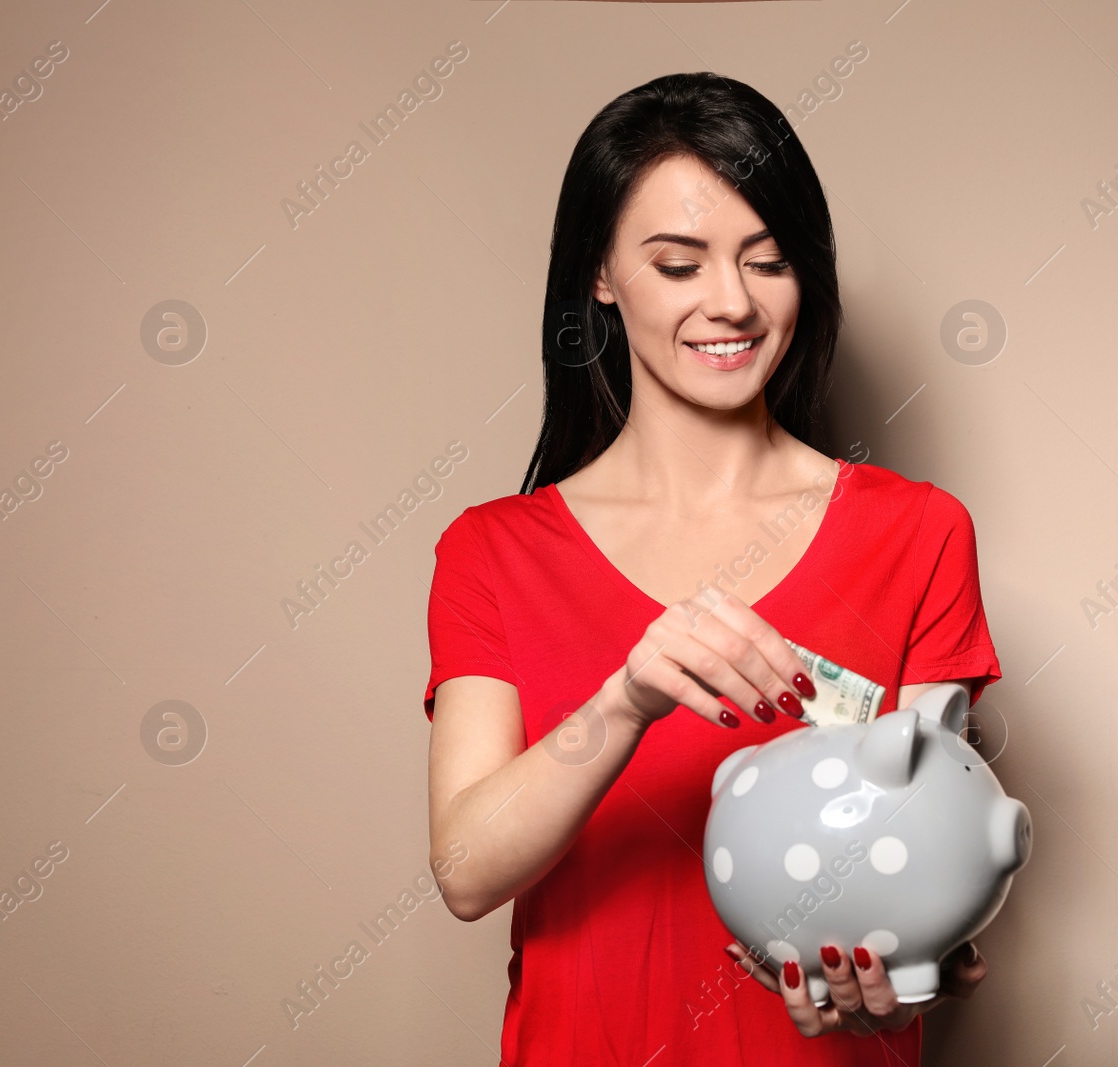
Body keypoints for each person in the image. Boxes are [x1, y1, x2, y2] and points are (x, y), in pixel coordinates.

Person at [423, 71, 1003, 1066]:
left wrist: (919, 974)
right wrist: (627, 697)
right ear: (601, 274)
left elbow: (937, 847)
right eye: (679, 264)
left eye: (767, 260)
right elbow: (468, 871)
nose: (731, 302)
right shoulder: (492, 550)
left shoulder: (917, 533)